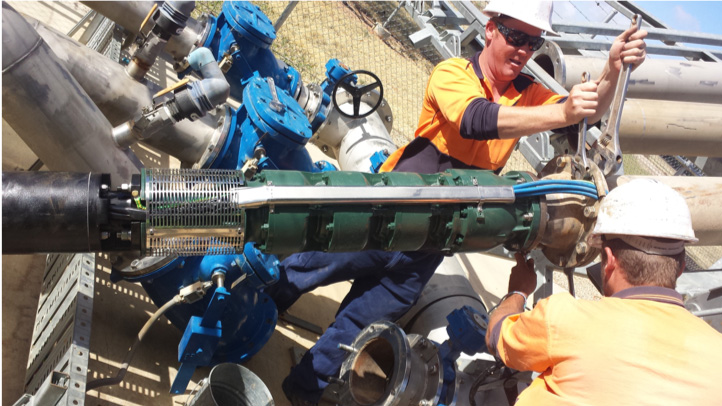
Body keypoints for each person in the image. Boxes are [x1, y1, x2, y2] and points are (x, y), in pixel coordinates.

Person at [268, 1, 648, 404]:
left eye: (533, 43)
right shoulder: (453, 73)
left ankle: (305, 388)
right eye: (516, 36)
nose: (523, 50)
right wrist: (562, 112)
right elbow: (475, 120)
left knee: (364, 318)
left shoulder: (527, 94)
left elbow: (582, 114)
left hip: (431, 242)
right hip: (383, 214)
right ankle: (251, 320)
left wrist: (612, 69)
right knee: (302, 270)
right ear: (491, 30)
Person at [485, 178, 722, 405]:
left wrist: (518, 292)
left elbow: (497, 337)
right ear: (680, 268)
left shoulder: (563, 319)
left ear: (608, 260)